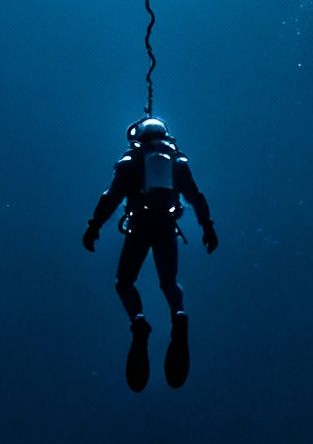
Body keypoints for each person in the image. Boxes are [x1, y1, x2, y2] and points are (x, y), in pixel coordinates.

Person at [82, 117, 218, 391]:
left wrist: (94, 227)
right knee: (169, 282)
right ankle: (178, 314)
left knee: (124, 282)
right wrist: (207, 228)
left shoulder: (130, 162)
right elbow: (196, 196)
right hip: (166, 226)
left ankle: (139, 322)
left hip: (140, 227)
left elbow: (110, 198)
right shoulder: (177, 162)